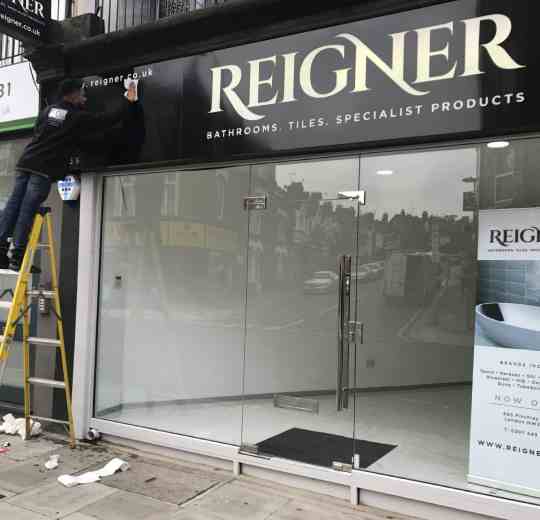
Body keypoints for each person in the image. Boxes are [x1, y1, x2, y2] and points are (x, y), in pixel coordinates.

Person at [0, 78, 138, 271]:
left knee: (13, 206)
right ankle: (17, 258)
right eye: (82, 93)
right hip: (42, 168)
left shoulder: (48, 111)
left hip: (26, 162)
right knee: (27, 210)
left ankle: (1, 252)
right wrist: (128, 100)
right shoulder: (74, 117)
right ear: (72, 94)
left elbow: (39, 130)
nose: (84, 96)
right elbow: (106, 120)